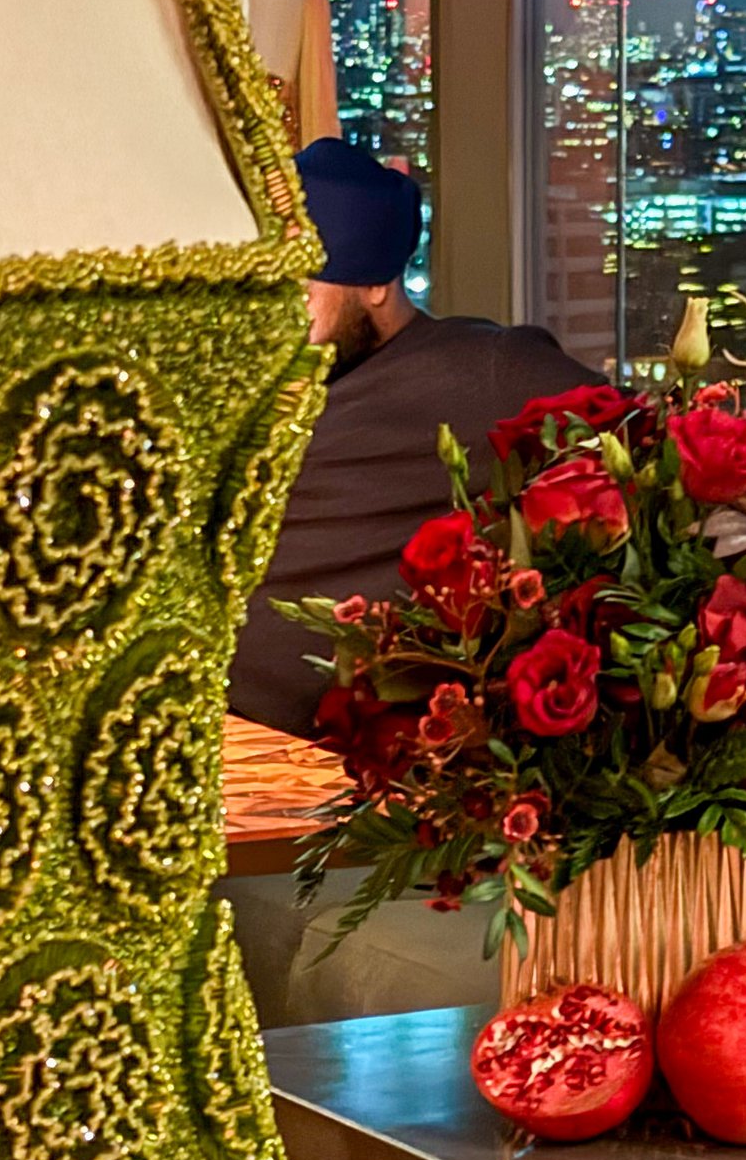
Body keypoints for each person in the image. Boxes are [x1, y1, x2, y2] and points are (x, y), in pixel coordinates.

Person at [228, 136, 583, 736]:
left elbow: (646, 443)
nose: (270, 320)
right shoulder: (241, 384)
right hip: (205, 734)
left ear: (375, 285)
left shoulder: (486, 372)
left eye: (299, 294)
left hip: (328, 765)